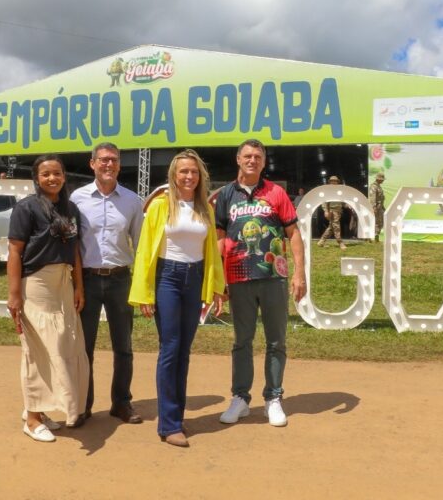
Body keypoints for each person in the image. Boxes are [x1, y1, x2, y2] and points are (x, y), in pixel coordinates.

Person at [129, 149, 226, 447]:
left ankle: (177, 417)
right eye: (184, 171)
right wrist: (145, 291)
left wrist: (216, 287)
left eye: (194, 172)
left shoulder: (204, 209)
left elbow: (211, 252)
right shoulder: (160, 206)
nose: (189, 176)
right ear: (173, 175)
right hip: (167, 278)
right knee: (170, 347)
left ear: (200, 177)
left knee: (184, 350)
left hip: (194, 278)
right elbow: (145, 249)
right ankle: (169, 424)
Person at [216, 139, 306, 427]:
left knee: (276, 341)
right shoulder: (226, 195)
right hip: (238, 278)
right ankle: (240, 399)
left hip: (273, 278)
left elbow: (293, 234)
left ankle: (273, 398)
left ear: (264, 162)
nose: (252, 160)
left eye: (258, 156)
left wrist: (299, 273)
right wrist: (219, 278)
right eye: (247, 156)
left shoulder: (277, 193)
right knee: (242, 341)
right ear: (238, 159)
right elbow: (219, 238)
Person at [6, 155, 90, 443]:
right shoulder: (26, 208)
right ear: (37, 178)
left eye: (57, 173)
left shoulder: (70, 209)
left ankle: (41, 410)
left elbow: (75, 251)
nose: (52, 178)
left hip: (64, 283)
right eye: (45, 174)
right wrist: (14, 295)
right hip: (37, 283)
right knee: (39, 349)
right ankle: (31, 418)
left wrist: (79, 287)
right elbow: (15, 252)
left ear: (64, 176)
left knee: (64, 344)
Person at [71, 143, 144, 426]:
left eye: (113, 160)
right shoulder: (76, 199)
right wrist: (75, 284)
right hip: (87, 280)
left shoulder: (131, 200)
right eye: (103, 160)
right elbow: (73, 243)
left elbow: (140, 244)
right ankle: (83, 405)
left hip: (120, 279)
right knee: (83, 348)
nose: (108, 165)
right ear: (92, 164)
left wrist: (142, 283)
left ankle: (121, 403)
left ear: (119, 165)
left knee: (123, 346)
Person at [317, 175, 346, 250]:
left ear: (337, 182)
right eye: (332, 181)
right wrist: (326, 211)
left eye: (335, 181)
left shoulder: (339, 191)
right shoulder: (327, 191)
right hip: (332, 211)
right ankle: (340, 242)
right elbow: (323, 201)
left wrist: (346, 205)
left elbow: (342, 201)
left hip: (339, 211)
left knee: (331, 228)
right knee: (336, 226)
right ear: (330, 182)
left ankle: (321, 241)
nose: (334, 182)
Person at [368, 172, 386, 242]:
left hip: (380, 207)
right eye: (382, 179)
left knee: (380, 222)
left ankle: (376, 235)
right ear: (378, 179)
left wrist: (382, 207)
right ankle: (371, 236)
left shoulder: (378, 186)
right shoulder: (373, 186)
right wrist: (374, 207)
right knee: (375, 222)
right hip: (376, 207)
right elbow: (372, 198)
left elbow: (381, 198)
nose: (383, 180)